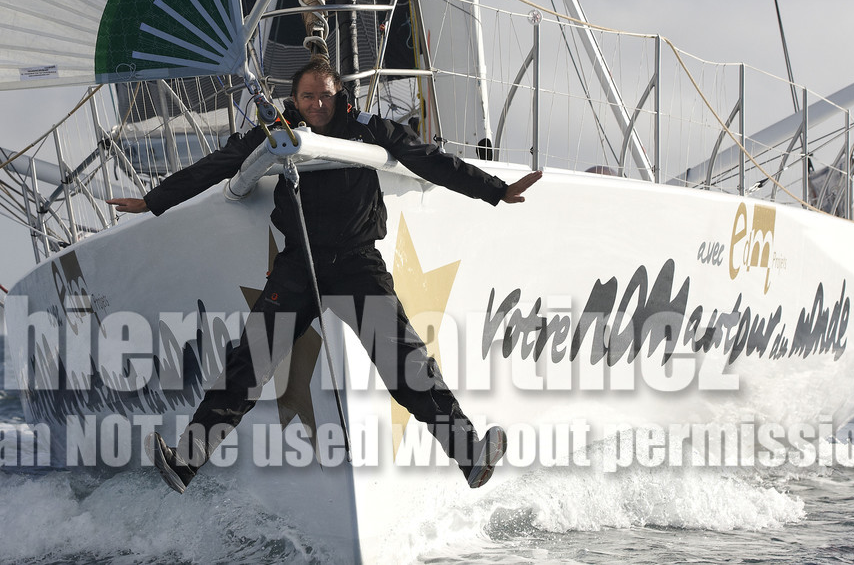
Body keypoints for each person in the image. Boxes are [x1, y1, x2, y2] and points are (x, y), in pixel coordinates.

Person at [107, 56, 542, 493]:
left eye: (325, 95)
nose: (317, 104)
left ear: (339, 95)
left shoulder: (369, 127)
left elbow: (430, 160)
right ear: (294, 99)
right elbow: (219, 164)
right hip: (299, 266)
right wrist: (153, 199)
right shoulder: (276, 131)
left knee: (405, 363)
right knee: (249, 364)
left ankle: (469, 457)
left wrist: (495, 190)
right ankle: (186, 462)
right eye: (308, 96)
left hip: (357, 264)